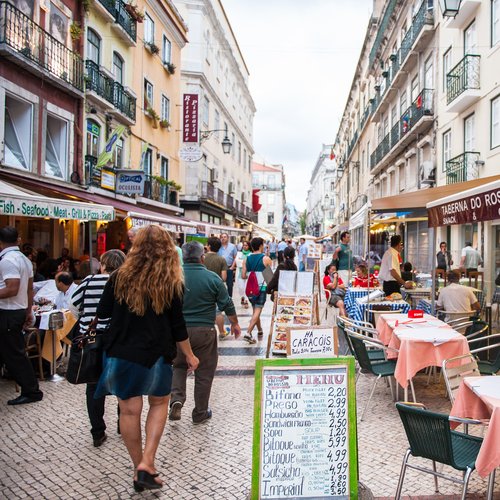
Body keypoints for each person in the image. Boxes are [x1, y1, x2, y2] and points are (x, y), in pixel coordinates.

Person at [94, 227, 199, 492]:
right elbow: (178, 325)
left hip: (122, 352)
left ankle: (138, 465)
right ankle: (148, 461)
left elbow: (103, 312)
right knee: (159, 403)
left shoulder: (118, 277)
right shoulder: (171, 281)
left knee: (129, 411)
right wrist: (189, 354)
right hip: (156, 353)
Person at [169, 241, 239, 425]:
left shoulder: (174, 277)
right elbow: (227, 304)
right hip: (205, 331)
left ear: (183, 257)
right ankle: (200, 412)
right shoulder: (212, 278)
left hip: (178, 331)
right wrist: (235, 324)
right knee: (205, 372)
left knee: (178, 365)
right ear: (202, 257)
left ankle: (176, 398)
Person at [70, 249, 126, 447]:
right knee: (122, 384)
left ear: (103, 264)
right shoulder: (124, 282)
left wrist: (85, 322)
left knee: (93, 385)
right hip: (117, 339)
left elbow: (73, 306)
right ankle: (123, 424)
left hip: (92, 340)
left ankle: (98, 432)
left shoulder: (88, 281)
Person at [0, 227, 43, 405]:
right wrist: (28, 311)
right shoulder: (24, 260)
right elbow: (29, 289)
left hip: (8, 312)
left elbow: (12, 288)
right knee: (12, 352)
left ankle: (31, 391)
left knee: (14, 354)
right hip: (17, 311)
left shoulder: (7, 261)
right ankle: (31, 389)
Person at [242, 237, 272, 344]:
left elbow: (243, 275)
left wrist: (251, 274)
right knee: (258, 310)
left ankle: (259, 330)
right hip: (261, 288)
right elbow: (269, 278)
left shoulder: (246, 258)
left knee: (255, 310)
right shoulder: (266, 259)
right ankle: (248, 332)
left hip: (250, 289)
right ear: (260, 246)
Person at [204, 237, 229, 340]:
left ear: (209, 246)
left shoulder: (202, 258)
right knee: (218, 311)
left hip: (203, 286)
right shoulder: (221, 259)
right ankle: (222, 332)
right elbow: (224, 277)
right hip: (216, 288)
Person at [218, 233, 237, 297]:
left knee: (230, 284)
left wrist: (232, 267)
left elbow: (235, 257)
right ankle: (220, 298)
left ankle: (229, 298)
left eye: (225, 237)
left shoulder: (232, 246)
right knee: (219, 283)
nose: (223, 238)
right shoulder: (218, 246)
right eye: (222, 237)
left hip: (229, 267)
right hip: (219, 268)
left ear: (228, 238)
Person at [236, 240, 251, 308]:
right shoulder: (239, 253)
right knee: (241, 287)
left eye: (246, 245)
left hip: (248, 273)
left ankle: (246, 300)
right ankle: (242, 296)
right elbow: (236, 261)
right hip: (240, 273)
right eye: (244, 245)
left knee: (246, 288)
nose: (245, 246)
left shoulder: (251, 254)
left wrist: (241, 263)